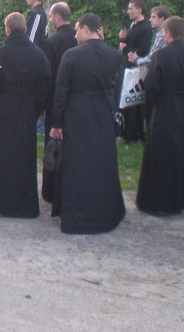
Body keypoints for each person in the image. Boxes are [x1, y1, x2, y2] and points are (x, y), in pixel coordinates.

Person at [50, 13, 125, 234]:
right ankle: (104, 212)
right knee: (102, 163)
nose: (75, 35)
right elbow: (117, 88)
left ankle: (76, 215)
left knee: (77, 164)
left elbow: (61, 92)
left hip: (77, 114)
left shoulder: (72, 55)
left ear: (85, 28)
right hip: (103, 114)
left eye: (77, 30)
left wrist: (56, 123)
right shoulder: (114, 55)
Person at [136, 16, 184, 216]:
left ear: (167, 33)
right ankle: (175, 203)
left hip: (163, 109)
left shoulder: (161, 55)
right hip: (182, 110)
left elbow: (151, 85)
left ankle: (153, 202)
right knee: (178, 156)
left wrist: (156, 100)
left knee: (158, 154)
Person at [0, 12, 51, 218]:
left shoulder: (1, 54)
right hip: (28, 110)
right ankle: (27, 207)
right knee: (25, 157)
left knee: (4, 158)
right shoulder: (39, 55)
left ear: (7, 29)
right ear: (25, 29)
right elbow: (44, 87)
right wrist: (37, 110)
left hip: (6, 111)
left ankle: (2, 205)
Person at [40, 2, 77, 205]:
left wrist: (44, 104)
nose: (51, 19)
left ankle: (51, 190)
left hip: (56, 98)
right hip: (76, 100)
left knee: (53, 145)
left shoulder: (52, 42)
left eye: (52, 16)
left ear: (57, 17)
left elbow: (48, 76)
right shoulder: (78, 38)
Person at [118, 0, 152, 142]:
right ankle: (123, 129)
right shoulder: (134, 25)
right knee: (125, 98)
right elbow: (129, 45)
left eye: (131, 8)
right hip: (127, 66)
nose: (128, 11)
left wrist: (126, 48)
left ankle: (133, 133)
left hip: (136, 69)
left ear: (139, 10)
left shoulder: (145, 28)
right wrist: (124, 39)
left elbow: (143, 51)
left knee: (133, 101)